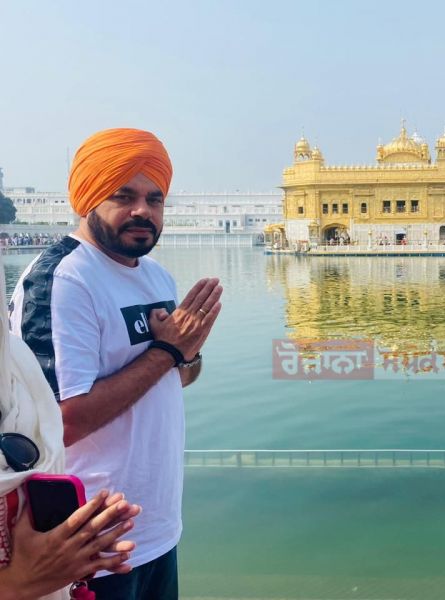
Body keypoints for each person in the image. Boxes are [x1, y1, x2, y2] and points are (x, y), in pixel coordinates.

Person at [9, 128, 223, 599]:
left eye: (154, 198)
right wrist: (166, 351)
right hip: (86, 542)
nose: (142, 210)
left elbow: (173, 377)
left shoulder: (155, 275)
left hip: (157, 529)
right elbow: (57, 422)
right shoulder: (64, 279)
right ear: (88, 197)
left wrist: (187, 353)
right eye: (123, 195)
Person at [0, 259, 141, 599]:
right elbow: (71, 420)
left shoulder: (14, 361)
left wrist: (68, 547)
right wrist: (17, 584)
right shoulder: (62, 277)